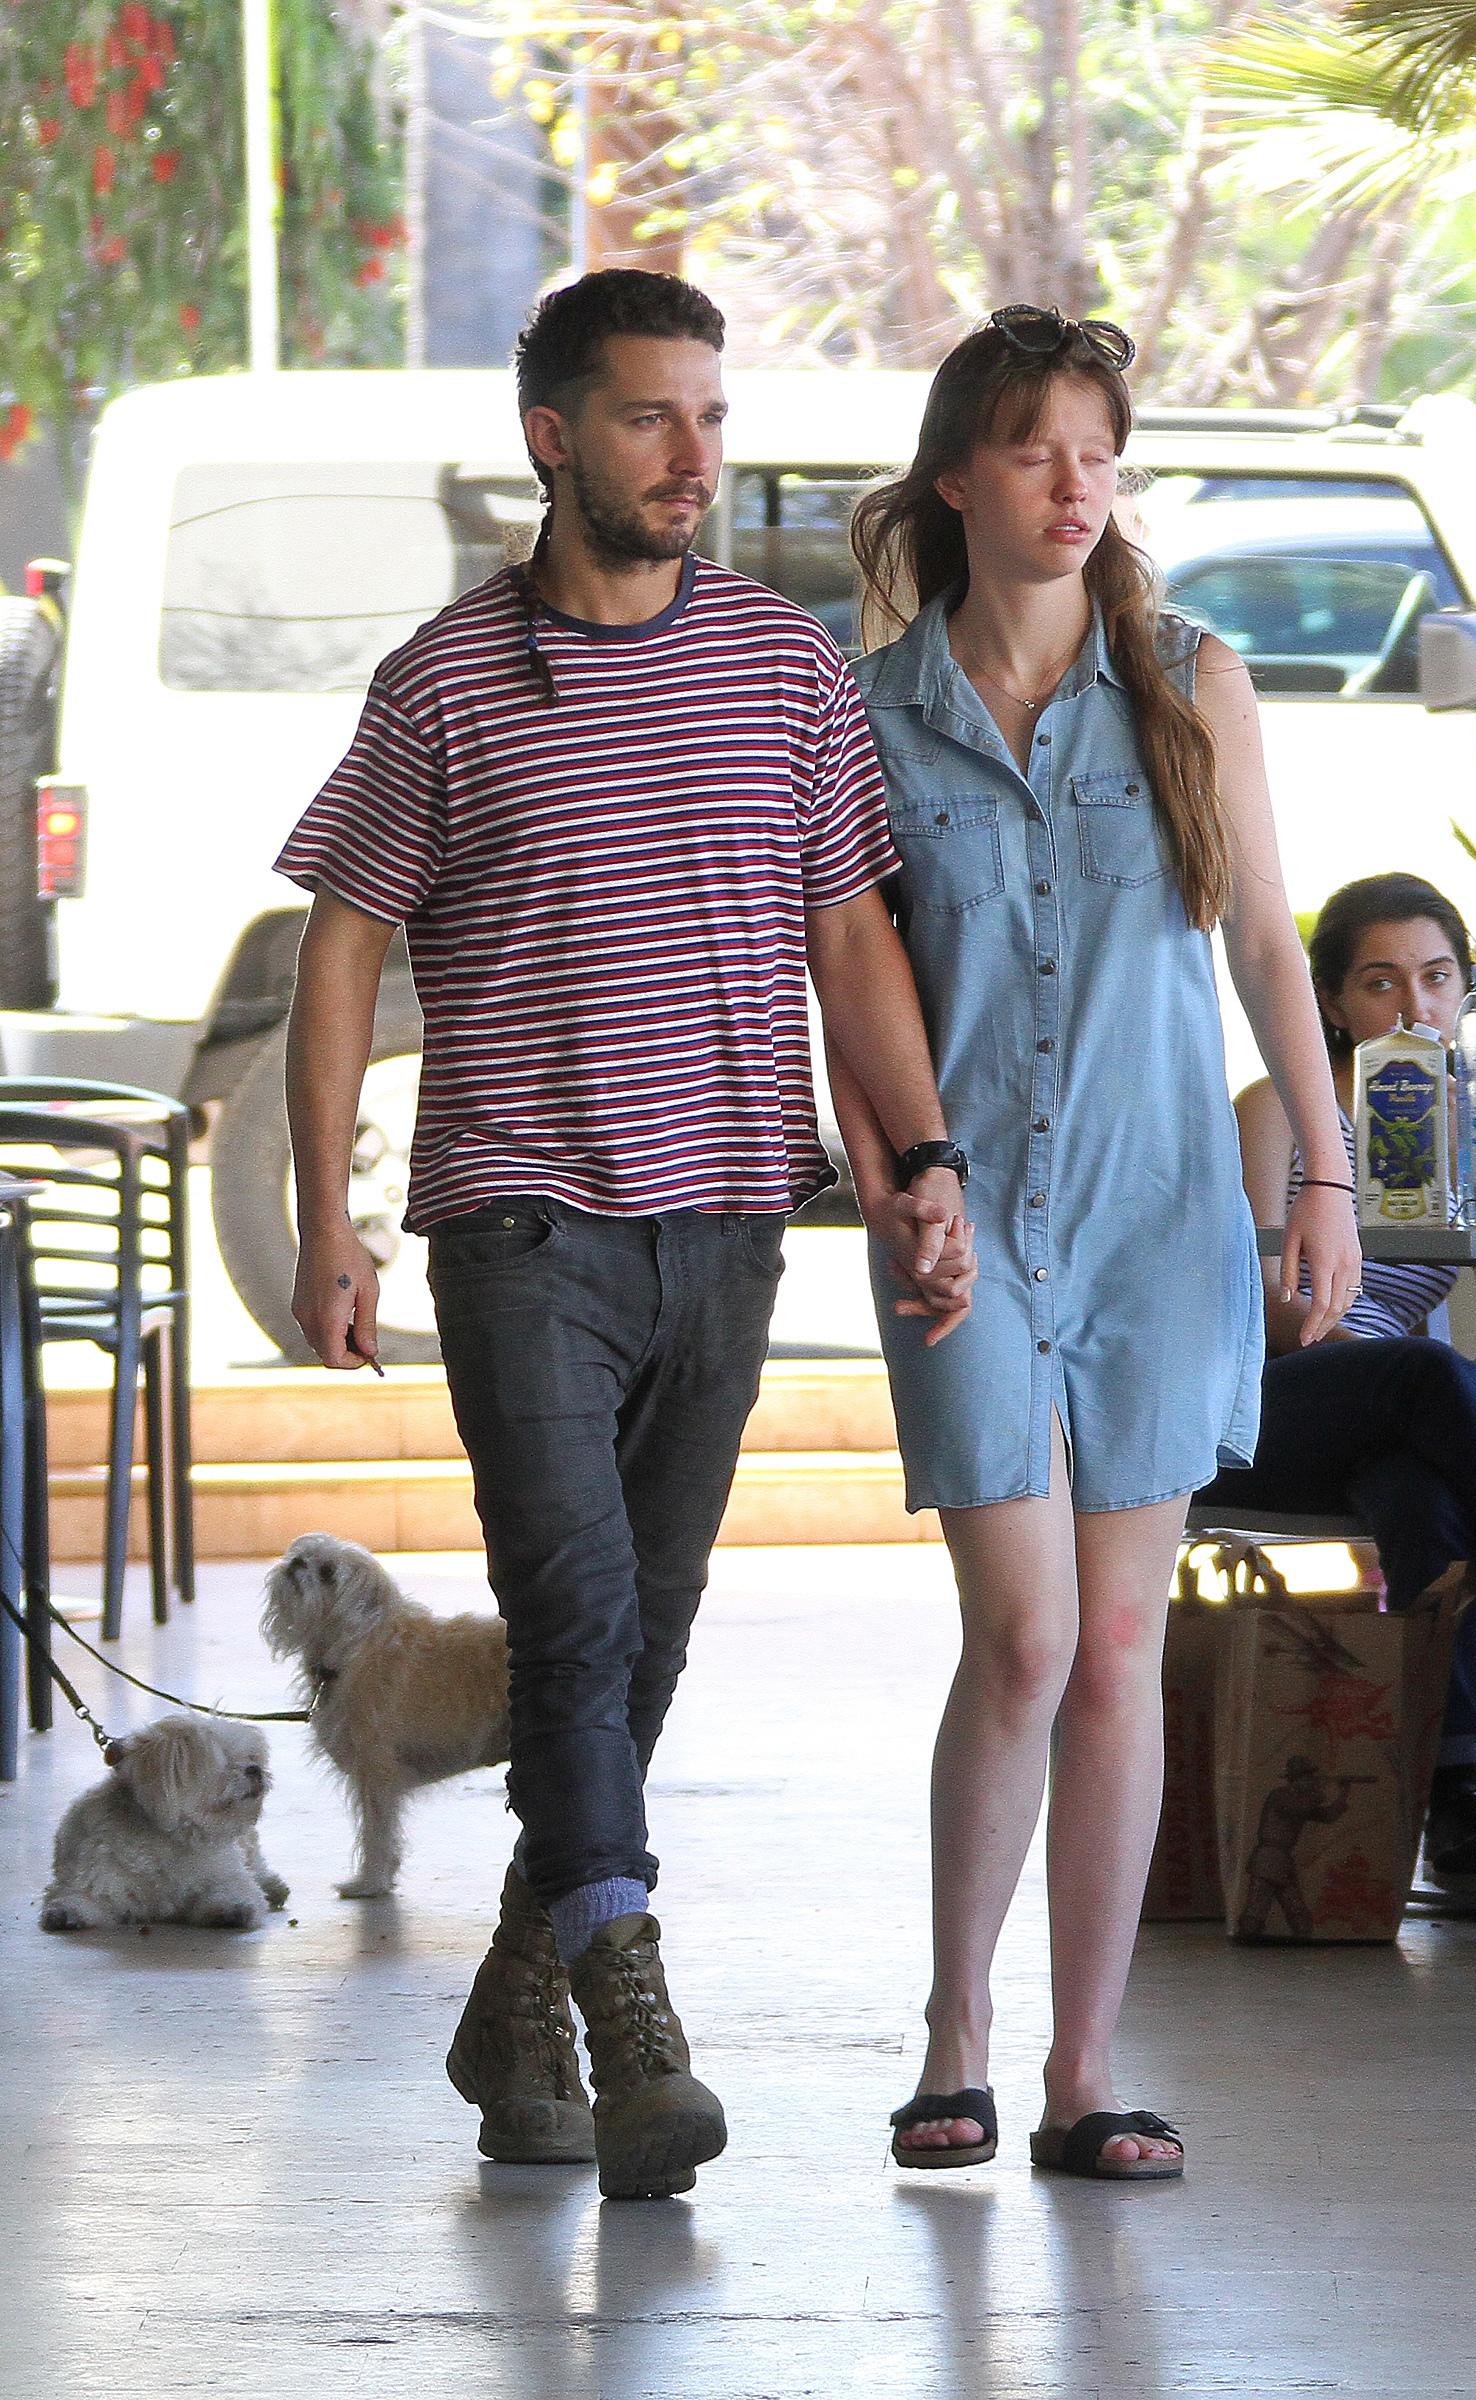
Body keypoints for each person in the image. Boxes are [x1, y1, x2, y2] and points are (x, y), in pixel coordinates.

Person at [275, 268, 971, 2203]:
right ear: (554, 435)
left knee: (640, 1642)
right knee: (578, 1622)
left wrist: (923, 1162)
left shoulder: (783, 665)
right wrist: (324, 1206)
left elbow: (852, 937)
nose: (695, 454)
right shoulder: (443, 680)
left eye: (712, 417)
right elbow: (346, 937)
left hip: (733, 1221)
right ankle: (630, 2005)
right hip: (522, 1227)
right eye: (655, 417)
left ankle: (516, 1994)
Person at [829, 304, 1360, 2181]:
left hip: (1159, 1218)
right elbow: (850, 983)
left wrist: (1321, 1181)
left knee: (1122, 1636)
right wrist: (898, 1181)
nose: (1076, 484)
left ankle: (1084, 2069)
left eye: (1101, 449)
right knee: (1025, 1632)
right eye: (1039, 447)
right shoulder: (855, 700)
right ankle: (951, 2031)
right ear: (959, 471)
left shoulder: (1191, 677)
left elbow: (1270, 953)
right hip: (963, 1221)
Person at [1200, 871, 1476, 1896]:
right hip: (1264, 1403)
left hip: (1390, 1421)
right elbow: (1259, 1310)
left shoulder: (1462, 1117)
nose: (1412, 1007)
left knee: (1421, 1486)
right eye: (1379, 983)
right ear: (1332, 1003)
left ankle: (1454, 1805)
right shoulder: (1275, 1112)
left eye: (1434, 978)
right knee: (1425, 1373)